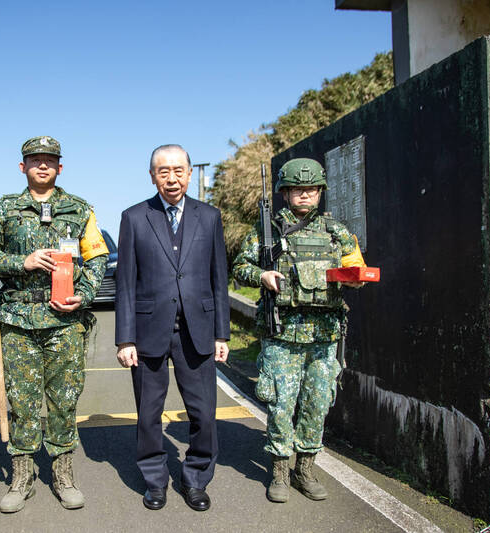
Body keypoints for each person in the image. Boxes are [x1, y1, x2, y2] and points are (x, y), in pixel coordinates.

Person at [0, 136, 108, 513]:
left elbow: (97, 256)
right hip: (18, 319)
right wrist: (22, 262)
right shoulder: (4, 208)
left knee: (64, 399)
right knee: (22, 400)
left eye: (50, 160)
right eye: (35, 160)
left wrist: (85, 293)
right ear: (23, 167)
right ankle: (22, 476)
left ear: (60, 167)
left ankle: (63, 474)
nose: (43, 165)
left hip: (64, 320)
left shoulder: (79, 209)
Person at [232, 157, 366, 503]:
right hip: (283, 336)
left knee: (317, 403)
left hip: (323, 336)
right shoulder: (268, 230)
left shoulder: (336, 231)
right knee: (280, 404)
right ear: (285, 193)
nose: (304, 195)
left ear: (320, 192)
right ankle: (279, 470)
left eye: (311, 189)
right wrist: (261, 275)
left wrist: (354, 279)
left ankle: (305, 469)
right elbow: (240, 267)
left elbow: (355, 267)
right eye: (297, 189)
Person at [115, 144, 230, 512]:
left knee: (203, 414)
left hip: (197, 330)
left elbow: (219, 279)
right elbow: (125, 283)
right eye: (163, 171)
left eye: (178, 170)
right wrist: (125, 339)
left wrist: (221, 333)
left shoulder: (209, 217)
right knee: (149, 414)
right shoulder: (135, 217)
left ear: (190, 173)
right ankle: (155, 480)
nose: (172, 177)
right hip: (148, 331)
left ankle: (196, 479)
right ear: (152, 176)